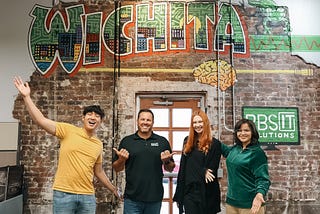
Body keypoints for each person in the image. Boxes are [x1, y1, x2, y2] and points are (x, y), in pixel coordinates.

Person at [13, 76, 120, 214]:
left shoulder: (98, 144)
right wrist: (26, 97)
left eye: (97, 116)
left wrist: (113, 189)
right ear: (83, 118)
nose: (93, 117)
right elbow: (41, 120)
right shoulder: (68, 130)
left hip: (87, 196)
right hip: (64, 194)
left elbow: (98, 172)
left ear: (100, 121)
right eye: (89, 114)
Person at [112, 108, 175, 214]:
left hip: (154, 198)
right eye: (142, 119)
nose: (145, 122)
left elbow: (170, 169)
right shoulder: (127, 141)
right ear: (137, 121)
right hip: (132, 199)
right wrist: (121, 160)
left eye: (148, 120)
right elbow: (117, 168)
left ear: (153, 122)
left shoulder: (162, 141)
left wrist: (167, 161)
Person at [173, 109, 222, 214]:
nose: (197, 125)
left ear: (205, 123)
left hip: (207, 193)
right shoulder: (187, 141)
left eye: (200, 122)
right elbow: (183, 169)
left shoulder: (215, 144)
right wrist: (179, 195)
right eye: (194, 122)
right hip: (189, 192)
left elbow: (211, 171)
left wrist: (198, 170)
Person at [221, 118, 271, 214]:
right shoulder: (236, 149)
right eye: (239, 130)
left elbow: (263, 179)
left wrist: (260, 194)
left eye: (246, 130)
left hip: (251, 205)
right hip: (231, 204)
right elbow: (224, 150)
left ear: (253, 132)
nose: (242, 133)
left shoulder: (257, 153)